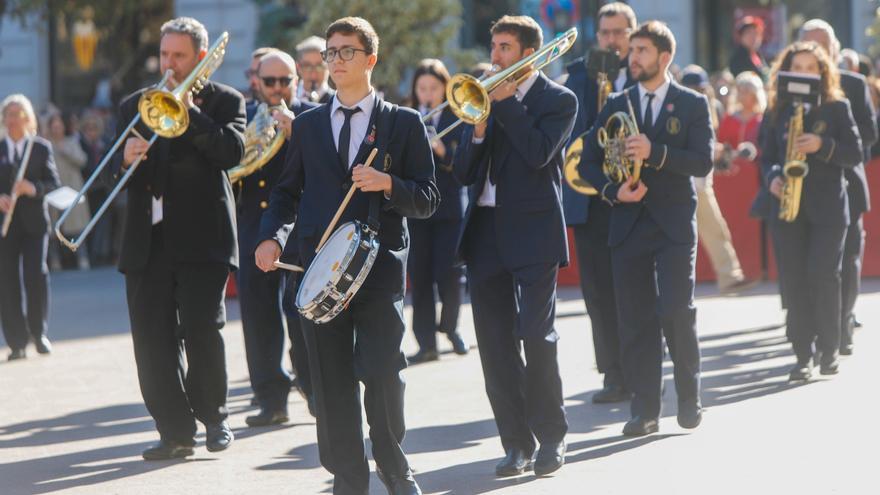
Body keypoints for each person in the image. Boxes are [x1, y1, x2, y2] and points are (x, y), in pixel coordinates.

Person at [254, 17, 438, 495]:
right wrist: (271, 237)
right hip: (317, 271)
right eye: (330, 53)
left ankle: (394, 466)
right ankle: (348, 478)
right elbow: (285, 193)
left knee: (383, 373)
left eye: (346, 52)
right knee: (331, 383)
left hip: (378, 272)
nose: (335, 60)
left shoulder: (404, 123)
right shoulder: (309, 125)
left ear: (370, 59)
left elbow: (428, 197)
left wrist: (389, 185)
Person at [111, 17, 246, 460]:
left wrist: (190, 114)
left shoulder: (226, 101)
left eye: (179, 56)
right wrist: (124, 159)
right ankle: (174, 430)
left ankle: (215, 417)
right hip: (146, 244)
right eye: (165, 55)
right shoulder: (137, 103)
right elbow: (111, 175)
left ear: (201, 59)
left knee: (203, 331)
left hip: (202, 240)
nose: (169, 64)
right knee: (151, 343)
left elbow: (231, 152)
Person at [452, 15, 575, 477]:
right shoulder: (484, 100)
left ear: (527, 54)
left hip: (534, 232)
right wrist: (479, 127)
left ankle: (552, 436)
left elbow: (539, 152)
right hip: (485, 232)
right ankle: (516, 443)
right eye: (494, 45)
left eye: (504, 47)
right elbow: (463, 171)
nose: (495, 55)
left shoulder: (558, 99)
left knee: (536, 336)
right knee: (495, 344)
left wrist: (504, 105)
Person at [578, 21, 714, 436]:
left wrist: (656, 153)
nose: (632, 57)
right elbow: (587, 162)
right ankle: (645, 409)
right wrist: (613, 190)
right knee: (634, 319)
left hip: (672, 223)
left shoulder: (692, 103)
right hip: (628, 224)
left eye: (642, 50)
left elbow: (702, 161)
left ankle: (689, 396)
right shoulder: (617, 102)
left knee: (675, 310)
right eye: (631, 50)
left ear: (664, 57)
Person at [759, 41, 862, 381]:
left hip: (828, 206)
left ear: (821, 72)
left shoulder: (836, 107)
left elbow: (855, 153)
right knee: (795, 280)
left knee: (823, 275)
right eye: (797, 68)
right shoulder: (777, 109)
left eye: (809, 68)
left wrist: (822, 145)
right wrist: (774, 177)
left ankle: (829, 350)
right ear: (786, 72)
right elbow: (768, 156)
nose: (803, 74)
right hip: (788, 206)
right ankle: (802, 355)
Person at [236, 49, 317, 426]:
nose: (279, 88)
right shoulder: (246, 117)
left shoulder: (313, 117)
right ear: (257, 82)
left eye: (286, 80)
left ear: (296, 81)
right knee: (259, 318)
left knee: (304, 315)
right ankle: (271, 399)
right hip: (255, 229)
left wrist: (295, 130)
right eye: (271, 81)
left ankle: (315, 389)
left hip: (300, 231)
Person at [563, 1, 637, 404]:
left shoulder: (644, 75)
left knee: (637, 290)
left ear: (632, 35)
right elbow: (569, 134)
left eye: (619, 32)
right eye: (605, 32)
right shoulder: (578, 74)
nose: (611, 40)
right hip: (590, 202)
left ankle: (640, 367)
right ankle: (612, 373)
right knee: (598, 293)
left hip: (635, 198)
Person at [800, 20, 878, 355]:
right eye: (810, 46)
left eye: (822, 46)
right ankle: (816, 328)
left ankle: (843, 319)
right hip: (804, 189)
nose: (818, 53)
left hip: (847, 184)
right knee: (811, 265)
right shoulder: (794, 84)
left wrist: (829, 146)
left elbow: (869, 137)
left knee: (847, 261)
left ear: (834, 49)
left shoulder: (854, 84)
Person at [405, 58, 468, 364]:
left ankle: (451, 327)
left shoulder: (457, 118)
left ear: (445, 89)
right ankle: (426, 342)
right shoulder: (408, 119)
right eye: (422, 88)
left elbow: (464, 162)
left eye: (434, 88)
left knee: (451, 274)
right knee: (419, 277)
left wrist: (443, 150)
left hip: (449, 208)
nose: (428, 93)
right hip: (417, 210)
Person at [680, 65, 757, 294]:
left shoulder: (710, 108)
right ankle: (665, 284)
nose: (697, 92)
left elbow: (710, 145)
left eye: (700, 88)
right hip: (683, 182)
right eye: (692, 88)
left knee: (716, 230)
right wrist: (716, 151)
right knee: (678, 237)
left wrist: (723, 156)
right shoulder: (678, 108)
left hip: (702, 181)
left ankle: (729, 277)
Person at [0, 94, 61, 360]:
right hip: (5, 226)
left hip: (35, 224)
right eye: (8, 114)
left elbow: (53, 184)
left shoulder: (40, 148)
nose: (13, 119)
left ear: (28, 118)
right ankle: (16, 342)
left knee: (36, 275)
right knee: (7, 281)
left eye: (18, 114)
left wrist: (33, 188)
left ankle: (39, 333)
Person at [45, 111, 91, 270]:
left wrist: (66, 150)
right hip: (54, 190)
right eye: (54, 126)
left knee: (77, 227)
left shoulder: (72, 142)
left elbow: (83, 160)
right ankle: (55, 261)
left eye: (59, 126)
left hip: (72, 189)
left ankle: (82, 259)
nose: (57, 129)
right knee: (52, 228)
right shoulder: (45, 144)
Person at [295, 35, 334, 104]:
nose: (313, 74)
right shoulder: (289, 99)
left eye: (320, 66)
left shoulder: (338, 101)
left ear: (329, 66)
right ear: (298, 67)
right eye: (307, 66)